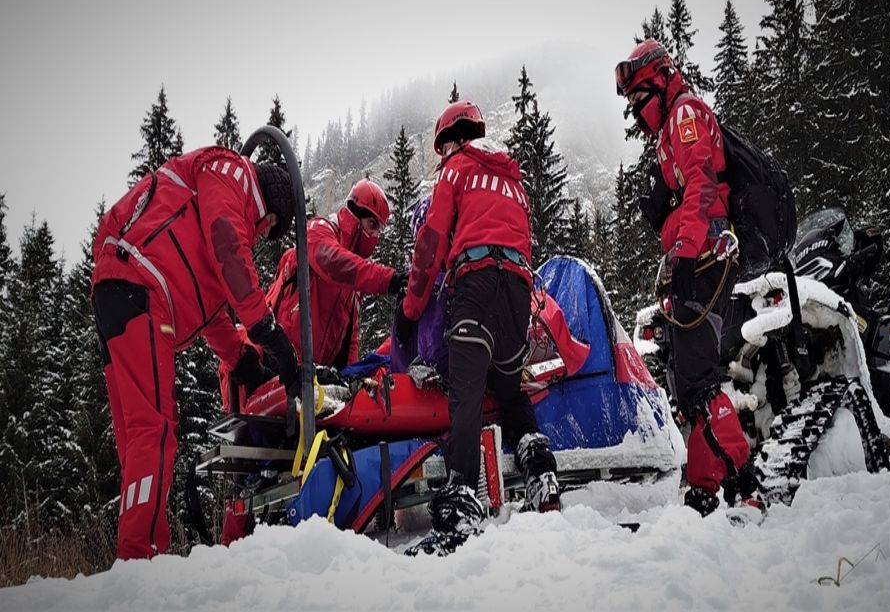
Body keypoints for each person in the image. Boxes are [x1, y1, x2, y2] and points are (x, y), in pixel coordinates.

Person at [91, 147, 301, 559]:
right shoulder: (234, 173)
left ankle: (134, 552)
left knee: (138, 437)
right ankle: (140, 557)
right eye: (271, 223)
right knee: (156, 427)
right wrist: (266, 329)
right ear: (270, 204)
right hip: (143, 287)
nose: (263, 231)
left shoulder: (201, 223)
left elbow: (213, 315)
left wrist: (244, 363)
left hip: (118, 289)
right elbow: (227, 241)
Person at [398, 100, 560, 552]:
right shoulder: (513, 181)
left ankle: (461, 502)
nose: (441, 157)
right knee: (509, 388)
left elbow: (430, 242)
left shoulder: (457, 170)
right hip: (517, 293)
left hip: (476, 284)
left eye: (442, 148)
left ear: (452, 140)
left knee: (465, 394)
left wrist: (411, 311)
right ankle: (541, 471)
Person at [615, 39, 756, 516]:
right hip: (695, 256)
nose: (636, 111)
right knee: (687, 381)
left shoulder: (685, 114)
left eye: (638, 98)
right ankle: (705, 489)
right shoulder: (667, 128)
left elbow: (701, 184)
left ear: (660, 80)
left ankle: (744, 485)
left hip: (706, 255)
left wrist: (686, 251)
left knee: (698, 378)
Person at [264, 179, 406, 377]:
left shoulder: (354, 284)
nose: (374, 236)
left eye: (378, 231)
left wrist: (351, 377)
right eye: (372, 225)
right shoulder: (319, 229)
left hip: (314, 378)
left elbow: (351, 339)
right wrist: (389, 280)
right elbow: (332, 261)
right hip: (277, 361)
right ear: (355, 214)